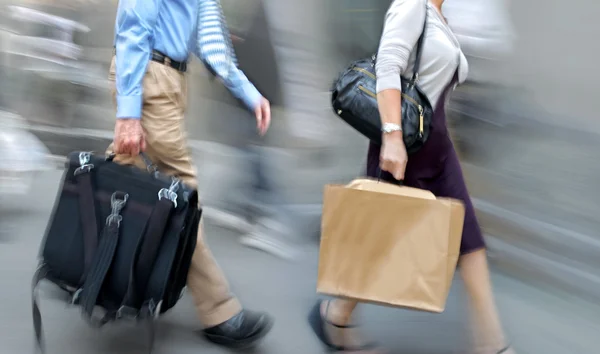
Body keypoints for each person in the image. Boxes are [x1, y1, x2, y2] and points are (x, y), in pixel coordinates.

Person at [308, 1, 514, 353]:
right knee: (380, 238)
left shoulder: (439, 14)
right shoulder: (411, 5)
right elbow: (388, 65)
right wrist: (391, 137)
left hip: (438, 146)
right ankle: (336, 313)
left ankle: (492, 346)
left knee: (470, 242)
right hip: (406, 141)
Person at [107, 0, 273, 348]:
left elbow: (202, 34)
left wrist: (247, 91)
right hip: (151, 76)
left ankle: (94, 268)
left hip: (166, 81)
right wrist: (129, 114)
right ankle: (220, 311)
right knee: (183, 198)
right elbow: (135, 25)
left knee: (124, 182)